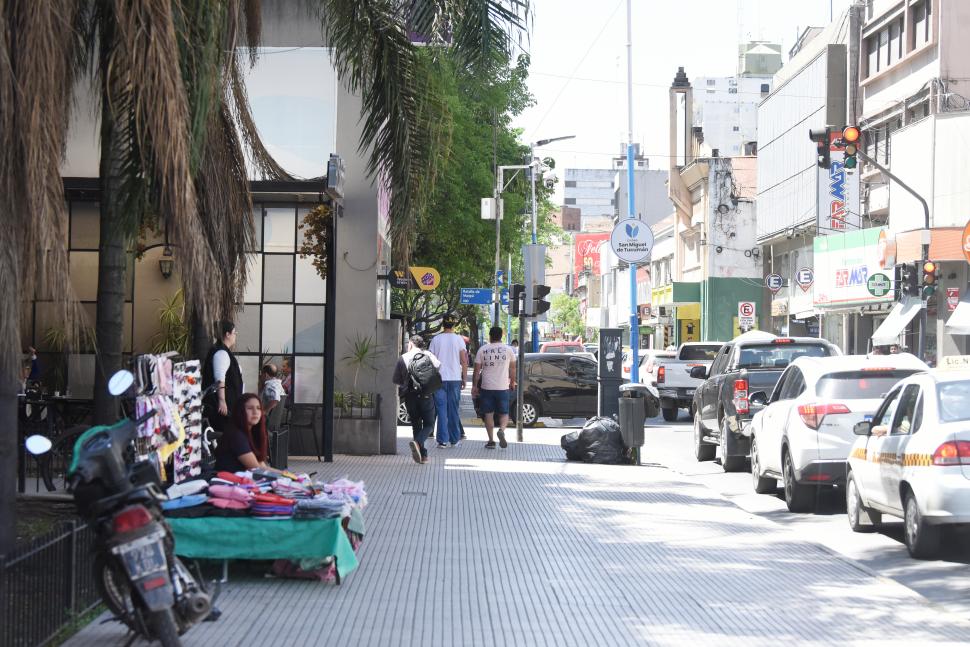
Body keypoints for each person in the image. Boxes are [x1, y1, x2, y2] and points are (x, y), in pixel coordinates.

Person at [392, 335, 440, 464]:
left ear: (411, 344)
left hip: (409, 396)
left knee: (416, 424)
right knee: (429, 424)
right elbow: (438, 367)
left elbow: (396, 380)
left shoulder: (403, 358)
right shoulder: (428, 355)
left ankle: (423, 455)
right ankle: (418, 444)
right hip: (426, 395)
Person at [472, 326, 516, 449]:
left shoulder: (483, 350)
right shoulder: (508, 350)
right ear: (501, 336)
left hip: (486, 387)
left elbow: (476, 371)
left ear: (490, 336)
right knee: (504, 413)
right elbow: (512, 368)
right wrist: (512, 382)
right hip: (502, 387)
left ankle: (491, 441)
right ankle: (501, 430)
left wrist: (475, 386)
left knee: (488, 414)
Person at [429, 314, 468, 448]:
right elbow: (464, 360)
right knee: (453, 409)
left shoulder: (436, 339)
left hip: (439, 379)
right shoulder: (459, 340)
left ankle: (442, 441)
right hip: (455, 379)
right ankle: (454, 439)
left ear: (443, 324)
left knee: (441, 409)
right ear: (454, 325)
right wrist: (464, 377)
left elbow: (431, 361)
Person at [202, 320, 243, 431]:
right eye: (234, 332)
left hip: (230, 406)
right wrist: (222, 400)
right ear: (227, 334)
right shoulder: (221, 353)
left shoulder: (223, 351)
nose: (236, 335)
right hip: (221, 408)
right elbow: (220, 378)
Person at [214, 394, 270, 472]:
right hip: (228, 481)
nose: (255, 412)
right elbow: (256, 469)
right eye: (250, 408)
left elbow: (261, 465)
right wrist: (286, 476)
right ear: (240, 411)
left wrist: (287, 474)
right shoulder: (237, 435)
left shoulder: (252, 432)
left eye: (258, 408)